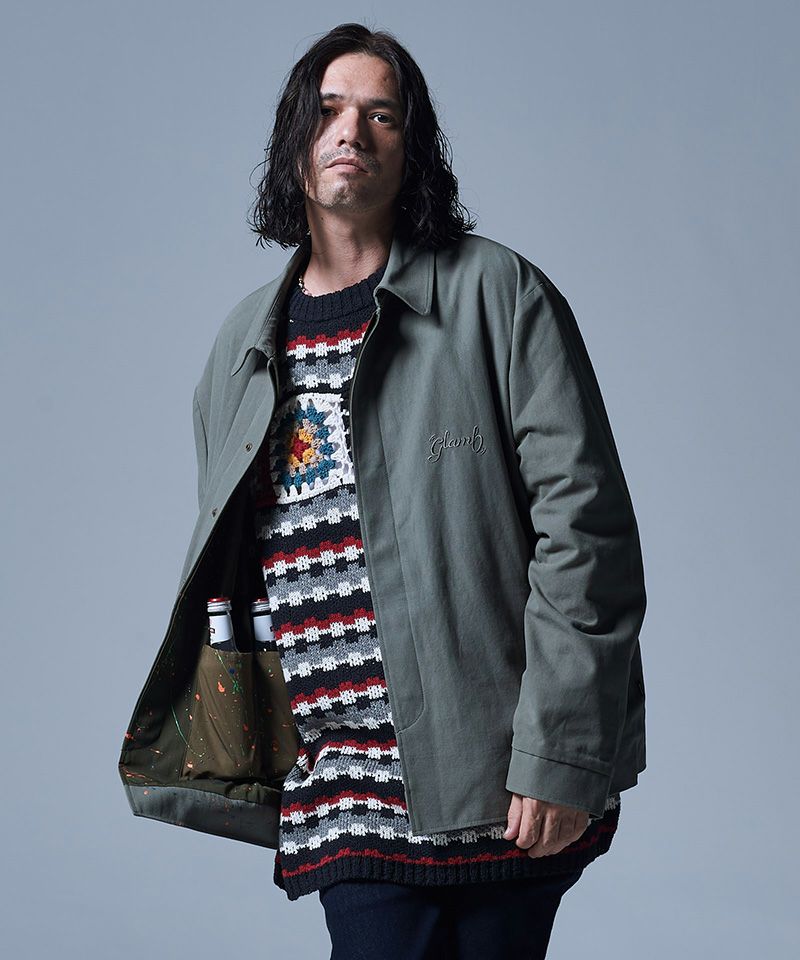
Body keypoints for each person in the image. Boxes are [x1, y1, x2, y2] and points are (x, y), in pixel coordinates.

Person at [118, 21, 647, 960]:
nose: (351, 131)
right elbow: (235, 574)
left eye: (381, 115)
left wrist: (560, 754)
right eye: (327, 110)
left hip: (500, 776)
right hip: (342, 781)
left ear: (413, 150)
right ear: (295, 141)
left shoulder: (500, 296)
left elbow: (587, 536)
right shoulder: (242, 347)